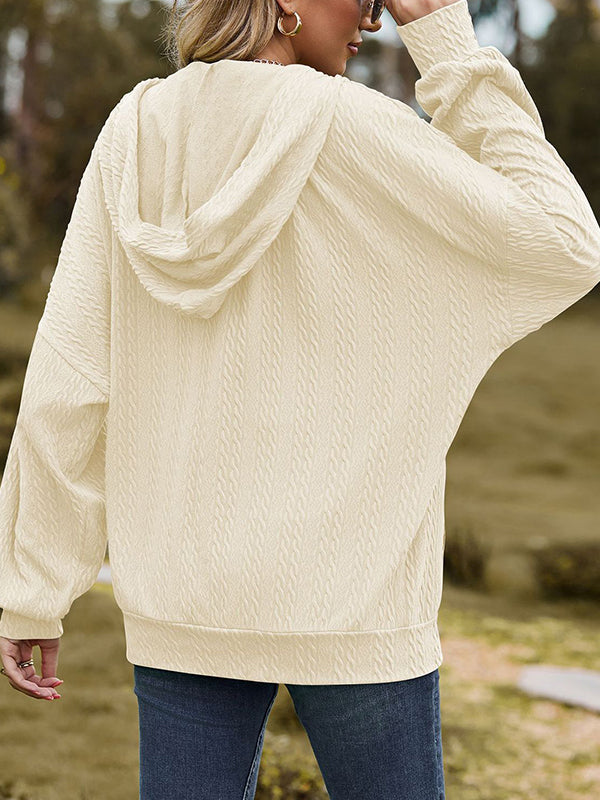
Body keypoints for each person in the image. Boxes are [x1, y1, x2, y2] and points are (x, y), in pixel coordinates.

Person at [1, 0, 599, 797]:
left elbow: (71, 377)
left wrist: (33, 594)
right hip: (356, 601)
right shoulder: (356, 129)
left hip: (185, 603)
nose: (377, 20)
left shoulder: (137, 132)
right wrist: (446, 38)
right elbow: (564, 241)